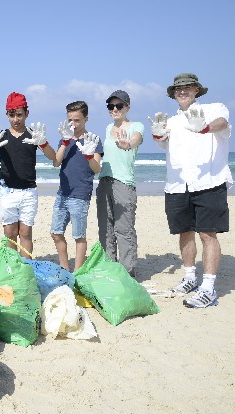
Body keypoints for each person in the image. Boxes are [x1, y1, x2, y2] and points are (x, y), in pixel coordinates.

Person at [150, 73, 231, 308]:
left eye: (187, 87)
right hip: (176, 184)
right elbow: (164, 143)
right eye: (178, 89)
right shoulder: (171, 121)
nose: (182, 91)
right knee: (184, 232)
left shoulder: (214, 108)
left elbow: (223, 124)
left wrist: (205, 127)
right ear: (173, 94)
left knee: (208, 234)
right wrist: (158, 133)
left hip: (209, 181)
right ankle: (189, 278)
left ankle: (208, 288)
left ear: (197, 90)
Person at [0, 92, 56, 258]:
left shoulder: (34, 135)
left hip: (29, 191)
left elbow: (52, 157)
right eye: (11, 115)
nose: (16, 119)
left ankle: (26, 266)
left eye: (19, 115)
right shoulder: (2, 135)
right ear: (7, 115)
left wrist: (42, 142)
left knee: (25, 232)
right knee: (9, 232)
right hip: (7, 190)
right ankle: (12, 266)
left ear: (27, 114)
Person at [96, 90, 143, 278]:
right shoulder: (108, 129)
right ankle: (110, 269)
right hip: (104, 180)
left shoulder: (136, 126)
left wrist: (128, 144)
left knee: (123, 229)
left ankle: (127, 273)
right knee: (105, 229)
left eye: (119, 106)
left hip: (123, 183)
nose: (114, 109)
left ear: (127, 107)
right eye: (111, 106)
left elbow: (136, 139)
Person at [50, 101, 102, 271]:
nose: (73, 124)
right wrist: (65, 142)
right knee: (56, 233)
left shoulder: (93, 140)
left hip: (80, 194)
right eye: (70, 120)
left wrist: (88, 155)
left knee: (79, 236)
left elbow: (96, 168)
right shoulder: (65, 139)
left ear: (86, 118)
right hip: (62, 192)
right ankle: (64, 268)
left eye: (77, 120)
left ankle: (78, 271)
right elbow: (56, 162)